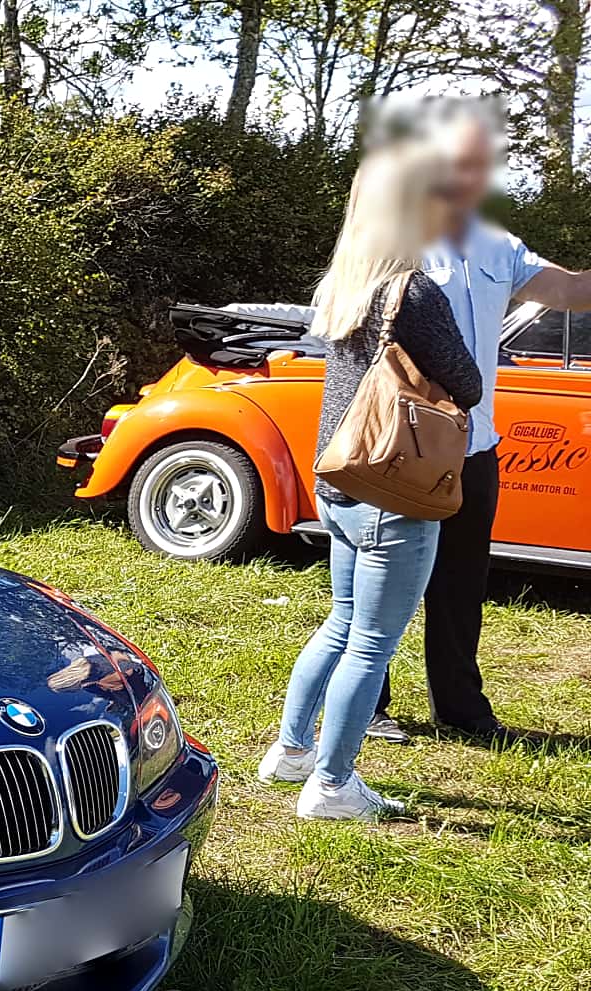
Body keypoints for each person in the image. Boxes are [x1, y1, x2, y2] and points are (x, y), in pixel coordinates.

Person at [260, 142, 483, 821]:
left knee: (341, 623)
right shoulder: (415, 291)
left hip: (340, 479)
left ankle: (291, 752)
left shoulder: (341, 286)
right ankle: (331, 786)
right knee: (371, 643)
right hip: (393, 491)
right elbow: (467, 385)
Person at [367, 107, 591, 744]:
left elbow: (572, 290)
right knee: (384, 584)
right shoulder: (392, 237)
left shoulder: (498, 245)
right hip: (403, 443)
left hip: (475, 446)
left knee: (462, 587)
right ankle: (369, 705)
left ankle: (462, 711)